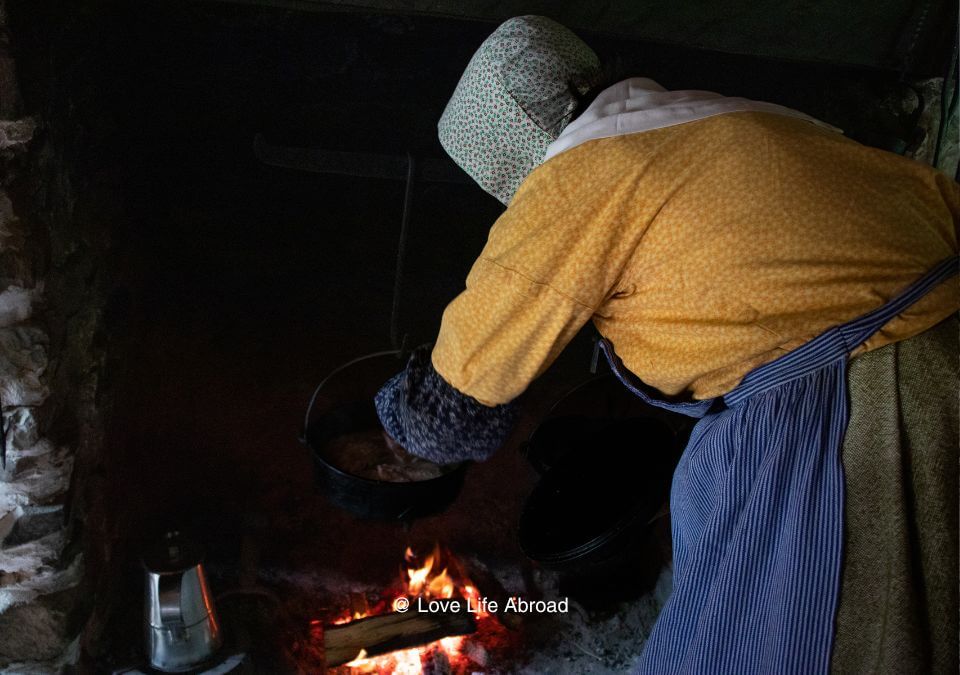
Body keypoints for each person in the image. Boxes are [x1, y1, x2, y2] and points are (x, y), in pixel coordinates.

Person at [373, 15, 959, 674]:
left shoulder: (582, 173)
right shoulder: (698, 121)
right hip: (931, 341)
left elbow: (470, 369)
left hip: (859, 393)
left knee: (799, 640)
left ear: (511, 151)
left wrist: (409, 441)